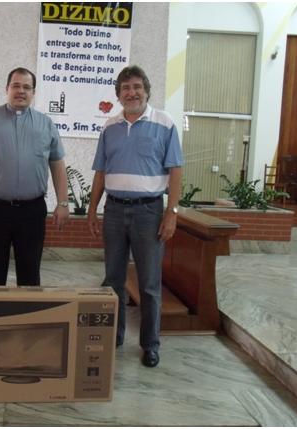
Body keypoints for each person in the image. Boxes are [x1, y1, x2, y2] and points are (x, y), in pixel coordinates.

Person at [87, 65, 183, 368]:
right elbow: (101, 171)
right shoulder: (109, 126)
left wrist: (172, 213)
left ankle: (150, 344)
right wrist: (92, 209)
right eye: (126, 88)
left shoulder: (165, 124)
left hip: (149, 213)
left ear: (147, 91)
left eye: (137, 86)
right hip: (114, 211)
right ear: (118, 95)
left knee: (149, 283)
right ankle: (114, 336)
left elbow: (176, 171)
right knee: (112, 279)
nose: (132, 93)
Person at [0, 67, 69, 286]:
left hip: (32, 211)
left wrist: (63, 202)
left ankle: (27, 310)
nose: (21, 91)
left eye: (27, 87)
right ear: (7, 89)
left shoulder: (46, 124)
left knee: (30, 272)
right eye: (16, 86)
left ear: (33, 92)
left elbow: (57, 163)